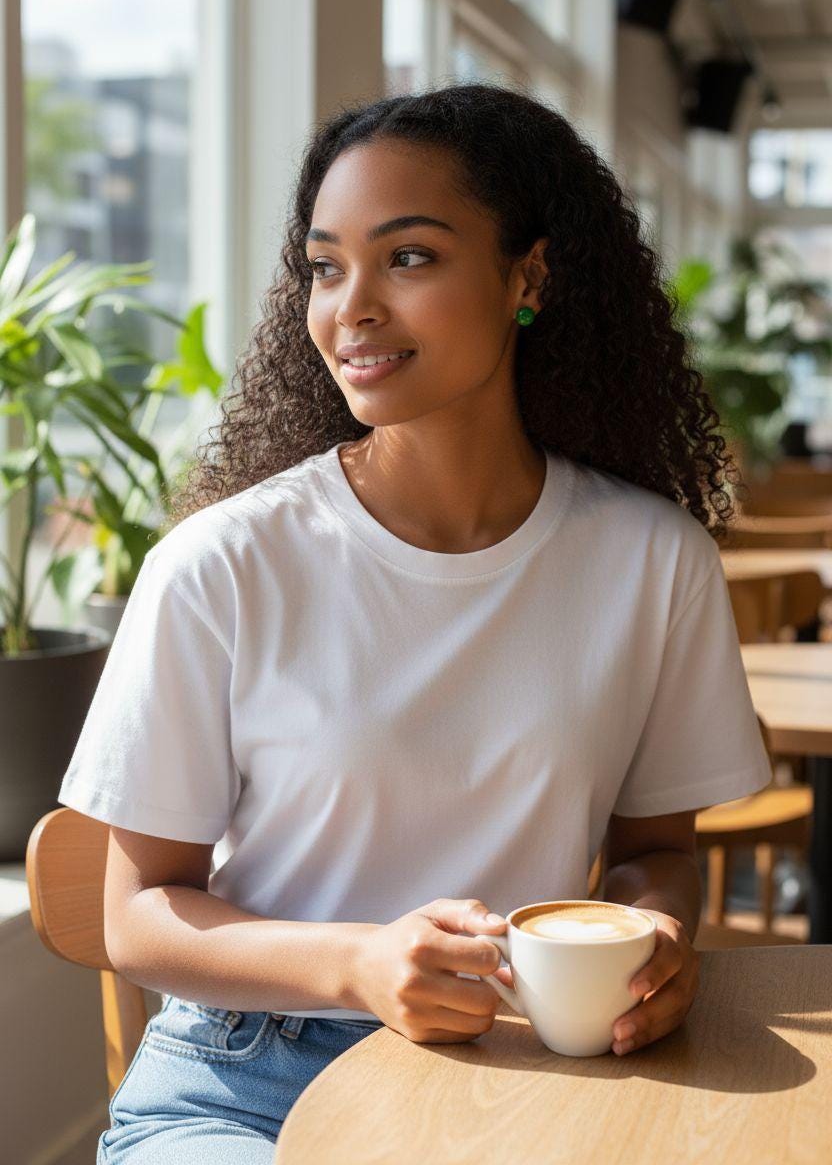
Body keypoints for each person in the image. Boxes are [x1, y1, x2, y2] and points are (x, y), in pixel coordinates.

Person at [58, 83, 772, 1162]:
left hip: (531, 1066)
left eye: (408, 257)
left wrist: (654, 939)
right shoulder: (221, 565)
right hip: (245, 1085)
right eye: (325, 266)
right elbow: (138, 914)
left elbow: (657, 852)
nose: (351, 307)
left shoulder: (652, 560)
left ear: (528, 277)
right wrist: (357, 965)